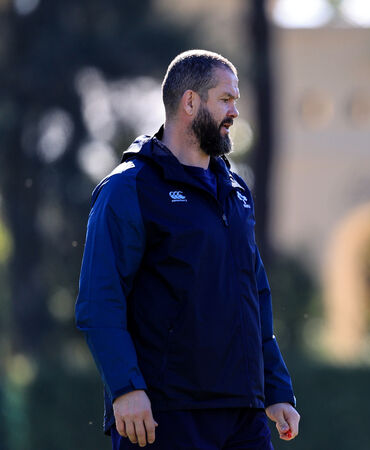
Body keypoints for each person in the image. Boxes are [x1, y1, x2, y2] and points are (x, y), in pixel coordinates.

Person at [75, 49, 300, 449]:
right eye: (225, 99)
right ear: (190, 102)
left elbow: (255, 295)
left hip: (243, 414)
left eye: (235, 101)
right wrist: (126, 388)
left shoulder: (236, 189)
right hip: (163, 414)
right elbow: (99, 300)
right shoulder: (128, 189)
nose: (234, 112)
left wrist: (276, 387)